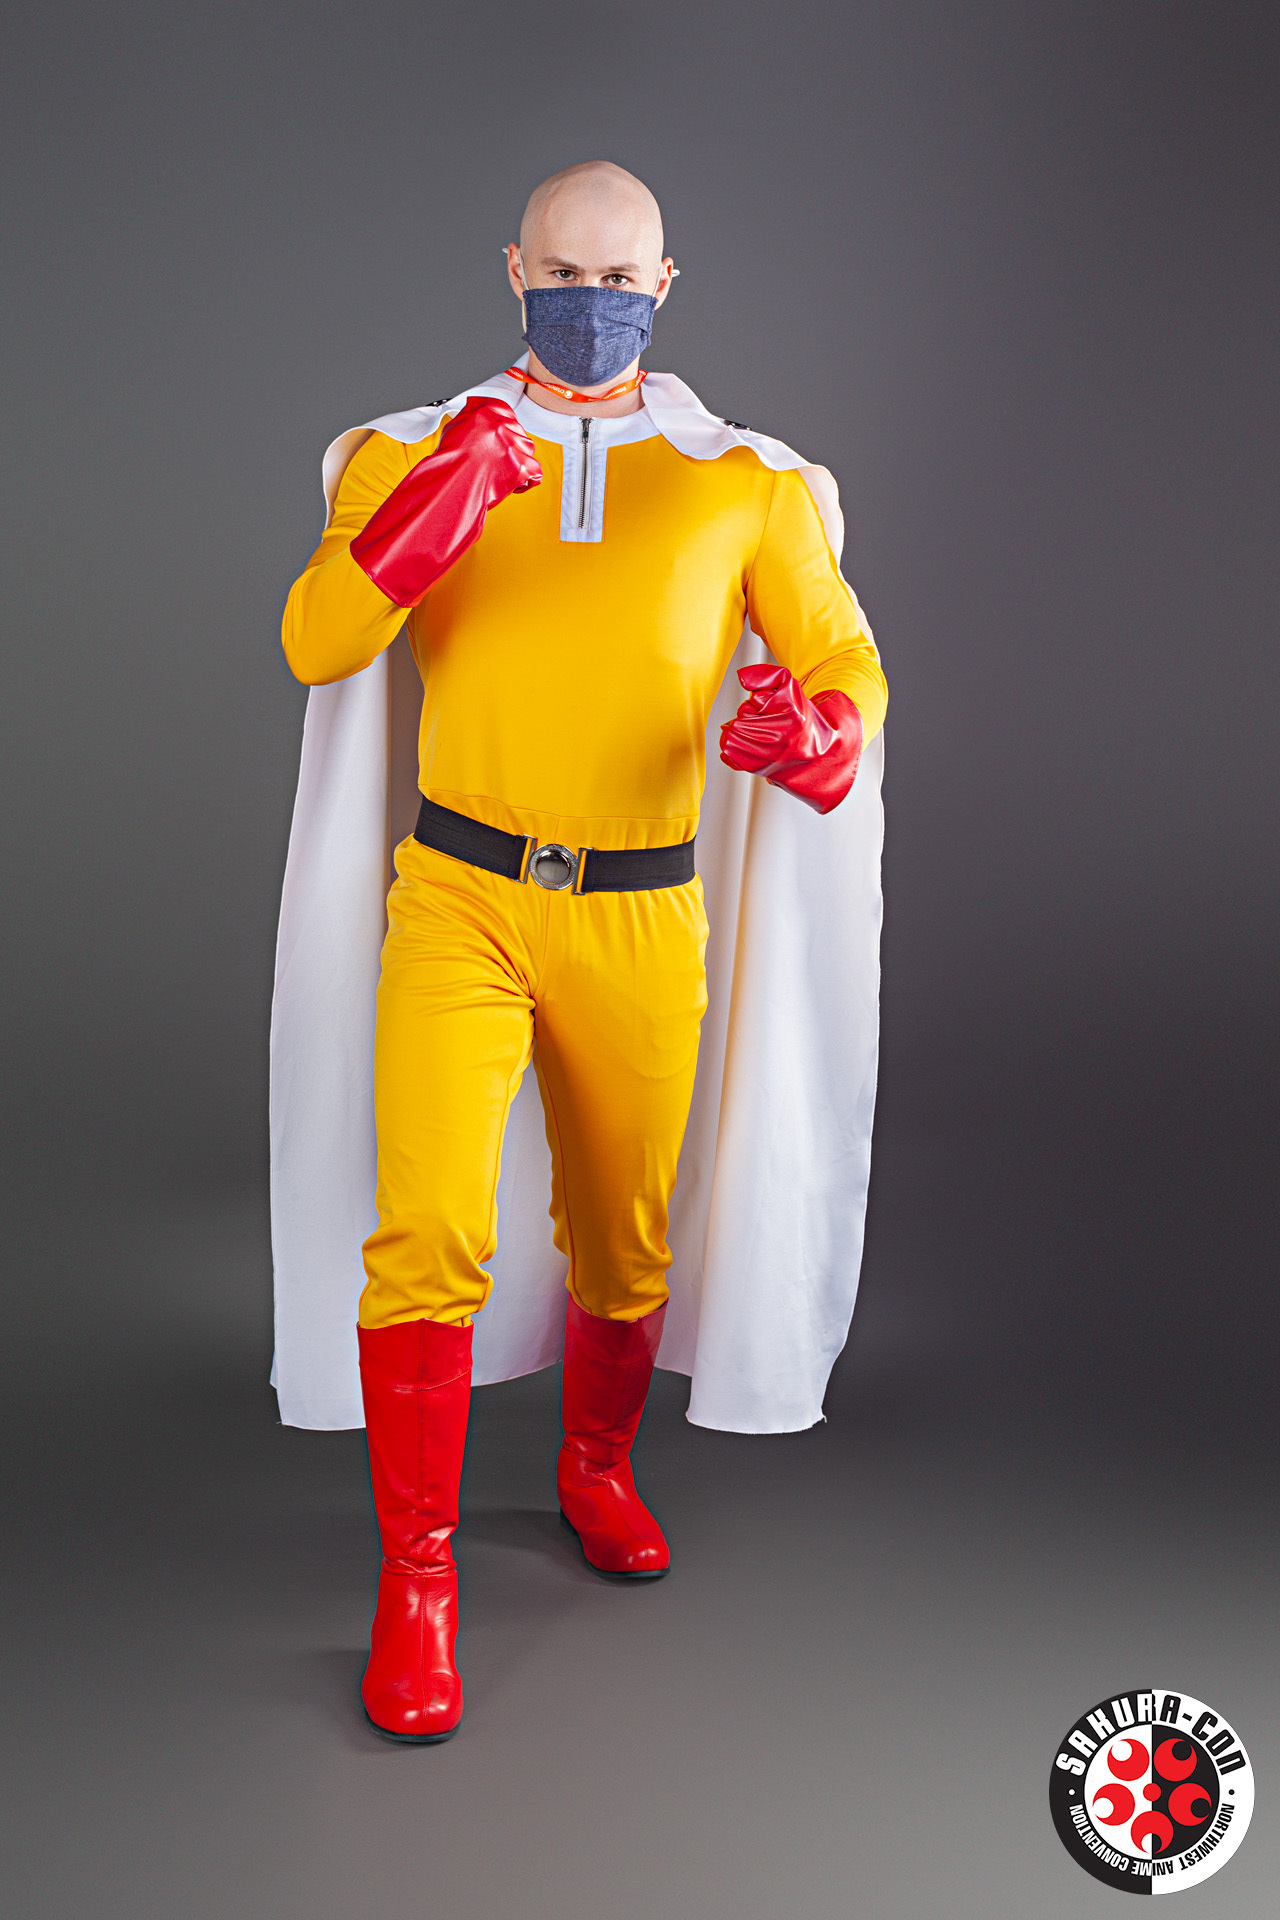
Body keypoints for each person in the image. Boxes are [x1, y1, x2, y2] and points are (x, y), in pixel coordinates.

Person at [278, 161, 887, 1742]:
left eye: (620, 279)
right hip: (461, 895)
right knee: (426, 1229)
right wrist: (431, 516)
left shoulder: (744, 481)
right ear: (514, 269)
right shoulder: (408, 450)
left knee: (624, 1234)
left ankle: (596, 1465)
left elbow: (845, 653)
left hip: (640, 907)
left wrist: (820, 734)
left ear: (665, 286)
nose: (591, 302)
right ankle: (418, 1581)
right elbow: (316, 640)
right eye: (563, 272)